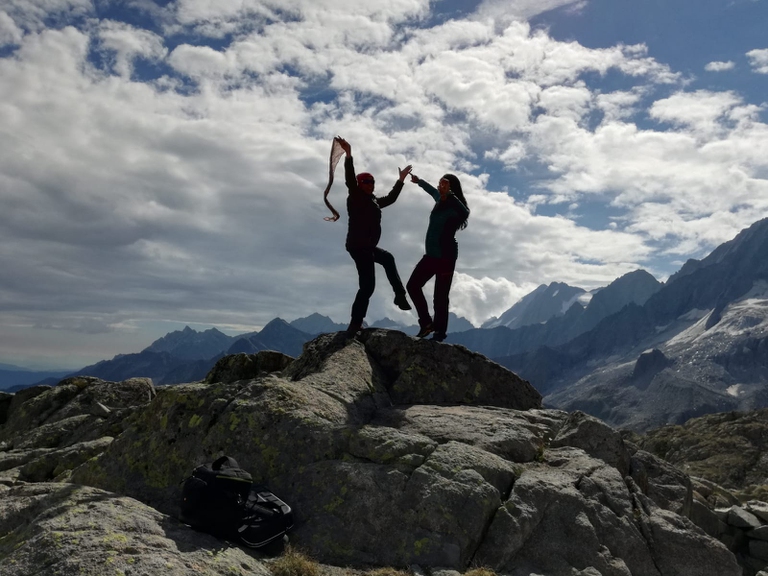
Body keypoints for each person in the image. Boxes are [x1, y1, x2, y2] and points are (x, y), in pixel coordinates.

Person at [335, 136, 412, 336]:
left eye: (372, 182)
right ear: (360, 184)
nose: (371, 184)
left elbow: (391, 198)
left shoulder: (374, 201)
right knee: (368, 286)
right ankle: (355, 324)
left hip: (367, 247)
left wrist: (401, 180)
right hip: (359, 246)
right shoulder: (356, 196)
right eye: (367, 182)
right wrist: (349, 154)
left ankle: (399, 296)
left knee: (387, 258)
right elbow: (349, 179)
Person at [406, 172, 470, 342]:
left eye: (445, 185)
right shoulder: (440, 200)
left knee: (440, 297)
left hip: (446, 257)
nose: (440, 187)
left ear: (452, 188)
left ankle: (439, 334)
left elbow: (465, 213)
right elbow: (431, 190)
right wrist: (419, 181)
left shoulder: (455, 207)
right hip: (431, 255)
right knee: (413, 286)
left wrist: (451, 195)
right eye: (440, 184)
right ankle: (427, 323)